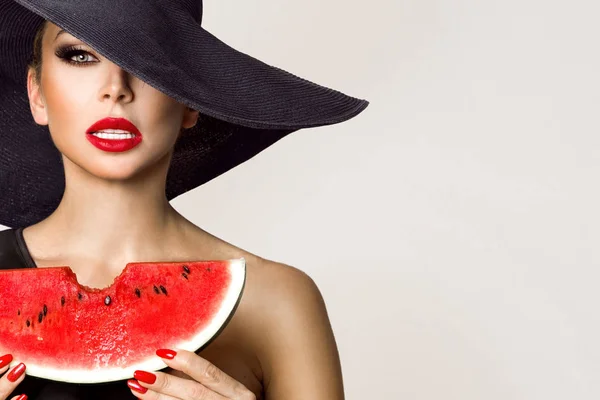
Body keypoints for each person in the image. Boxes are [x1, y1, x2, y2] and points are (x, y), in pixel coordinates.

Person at [0, 0, 369, 399]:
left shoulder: (278, 301)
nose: (116, 90)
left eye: (146, 59)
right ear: (37, 93)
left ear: (189, 101)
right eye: (80, 55)